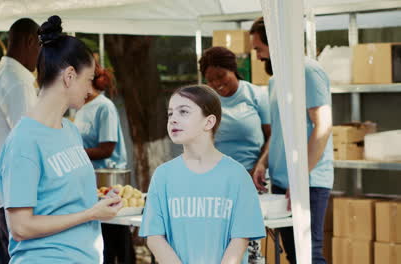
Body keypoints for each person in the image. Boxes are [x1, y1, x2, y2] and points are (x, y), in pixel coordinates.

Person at [0, 15, 122, 263]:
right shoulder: (24, 142)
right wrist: (89, 214)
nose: (90, 89)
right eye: (89, 79)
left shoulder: (70, 131)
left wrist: (99, 203)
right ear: (70, 75)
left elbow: (63, 201)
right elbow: (21, 227)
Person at [140, 84, 265, 264]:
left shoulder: (237, 176)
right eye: (170, 113)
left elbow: (240, 240)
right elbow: (154, 237)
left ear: (209, 122)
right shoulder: (163, 176)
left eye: (183, 112)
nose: (173, 119)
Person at [250, 17, 334, 264]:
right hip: (281, 181)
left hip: (308, 181)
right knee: (294, 254)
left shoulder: (308, 71)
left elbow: (323, 125)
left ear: (274, 42)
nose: (258, 56)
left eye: (259, 49)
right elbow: (278, 132)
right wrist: (262, 163)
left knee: (307, 253)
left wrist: (299, 178)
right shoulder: (276, 80)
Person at [199, 46, 271, 263]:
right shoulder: (207, 102)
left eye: (221, 76)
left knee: (247, 245)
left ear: (233, 69)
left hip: (253, 179)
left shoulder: (256, 95)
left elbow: (272, 136)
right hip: (217, 182)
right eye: (210, 80)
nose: (216, 84)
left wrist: (260, 166)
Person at [0, 18, 40, 264]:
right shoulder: (18, 81)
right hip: (15, 193)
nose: (40, 55)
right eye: (39, 47)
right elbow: (28, 141)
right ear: (29, 42)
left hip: (0, 188)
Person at [74, 63, 132, 263]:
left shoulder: (104, 107)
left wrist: (74, 154)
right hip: (91, 181)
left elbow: (107, 148)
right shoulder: (80, 107)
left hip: (109, 179)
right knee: (102, 239)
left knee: (116, 240)